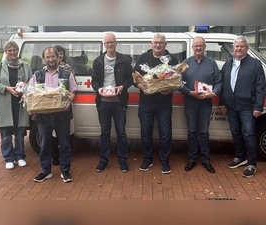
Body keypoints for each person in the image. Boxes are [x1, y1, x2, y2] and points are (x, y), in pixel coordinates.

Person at [29, 46, 78, 183]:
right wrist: (31, 105)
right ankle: (45, 171)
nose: (51, 59)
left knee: (64, 143)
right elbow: (30, 93)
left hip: (62, 115)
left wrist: (69, 101)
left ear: (58, 57)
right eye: (48, 57)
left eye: (53, 57)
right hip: (43, 116)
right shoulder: (37, 75)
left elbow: (73, 90)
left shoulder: (67, 74)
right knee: (44, 144)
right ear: (44, 59)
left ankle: (65, 171)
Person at [219, 36, 266, 178]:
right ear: (233, 48)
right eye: (237, 46)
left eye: (242, 46)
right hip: (231, 106)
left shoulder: (255, 64)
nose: (239, 49)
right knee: (235, 132)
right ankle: (239, 157)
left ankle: (252, 164)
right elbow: (222, 85)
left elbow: (260, 86)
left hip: (247, 107)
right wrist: (221, 102)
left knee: (249, 134)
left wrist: (258, 106)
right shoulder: (227, 64)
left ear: (246, 48)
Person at [134, 33, 179, 174]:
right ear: (151, 43)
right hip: (146, 102)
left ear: (165, 45)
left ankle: (164, 161)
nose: (158, 45)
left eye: (161, 43)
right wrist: (143, 88)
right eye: (155, 42)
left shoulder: (172, 59)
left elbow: (177, 80)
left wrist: (171, 89)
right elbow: (135, 78)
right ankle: (147, 159)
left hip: (164, 103)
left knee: (165, 134)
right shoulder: (143, 58)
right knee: (146, 134)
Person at [179, 37, 221, 173]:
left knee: (203, 132)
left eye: (200, 46)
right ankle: (191, 159)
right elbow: (178, 83)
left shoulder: (212, 63)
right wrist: (189, 92)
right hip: (190, 101)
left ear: (204, 47)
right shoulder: (185, 63)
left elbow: (219, 82)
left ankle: (205, 160)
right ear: (192, 47)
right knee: (191, 131)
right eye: (196, 46)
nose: (198, 48)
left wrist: (213, 93)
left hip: (205, 102)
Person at [91, 33, 133, 173]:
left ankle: (123, 160)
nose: (110, 44)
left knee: (121, 133)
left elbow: (130, 79)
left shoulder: (124, 60)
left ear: (116, 43)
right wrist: (99, 88)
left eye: (112, 42)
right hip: (103, 102)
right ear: (104, 44)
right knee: (104, 133)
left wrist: (122, 87)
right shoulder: (98, 61)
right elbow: (94, 81)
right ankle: (103, 160)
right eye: (107, 42)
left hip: (119, 102)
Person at [0, 41, 32, 170]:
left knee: (20, 132)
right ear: (5, 52)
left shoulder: (25, 65)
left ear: (18, 50)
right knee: (6, 132)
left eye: (14, 50)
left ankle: (19, 156)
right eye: (9, 50)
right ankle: (8, 157)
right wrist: (7, 88)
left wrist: (24, 87)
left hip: (20, 103)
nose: (12, 52)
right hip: (5, 103)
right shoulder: (0, 66)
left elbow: (31, 82)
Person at [50, 45, 74, 166]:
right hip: (50, 105)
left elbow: (73, 87)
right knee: (52, 133)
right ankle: (55, 155)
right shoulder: (46, 70)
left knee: (65, 133)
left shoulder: (68, 69)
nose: (59, 56)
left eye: (61, 54)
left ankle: (65, 158)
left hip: (64, 105)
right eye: (56, 54)